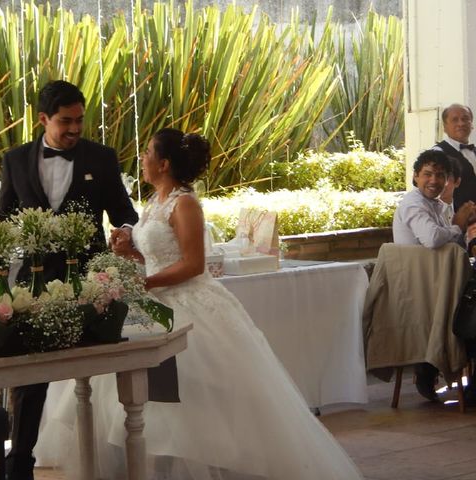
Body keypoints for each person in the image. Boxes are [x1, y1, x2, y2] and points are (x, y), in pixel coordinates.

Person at [33, 128, 363, 479]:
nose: (142, 159)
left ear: (164, 163)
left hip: (188, 303)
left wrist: (146, 280)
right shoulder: (155, 201)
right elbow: (157, 257)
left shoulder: (184, 203)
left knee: (189, 397)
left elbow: (193, 264)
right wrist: (129, 253)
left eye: (147, 153)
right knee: (129, 392)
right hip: (155, 299)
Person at [0, 80, 138, 480]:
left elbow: (124, 212)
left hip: (88, 279)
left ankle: (109, 459)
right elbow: (3, 221)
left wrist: (126, 231)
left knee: (98, 369)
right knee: (31, 373)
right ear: (43, 119)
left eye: (79, 120)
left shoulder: (102, 158)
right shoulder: (16, 159)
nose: (75, 129)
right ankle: (19, 463)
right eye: (65, 121)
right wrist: (0, 280)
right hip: (33, 282)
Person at [392, 149, 476, 402]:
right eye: (427, 174)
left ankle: (439, 371)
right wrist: (458, 224)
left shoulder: (436, 205)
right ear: (416, 176)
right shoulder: (413, 204)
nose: (434, 181)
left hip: (441, 284)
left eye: (440, 175)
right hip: (422, 291)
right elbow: (432, 239)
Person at [434, 103, 476, 210]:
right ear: (445, 127)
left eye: (465, 118)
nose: (461, 123)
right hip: (456, 220)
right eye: (455, 120)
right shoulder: (438, 153)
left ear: (471, 124)